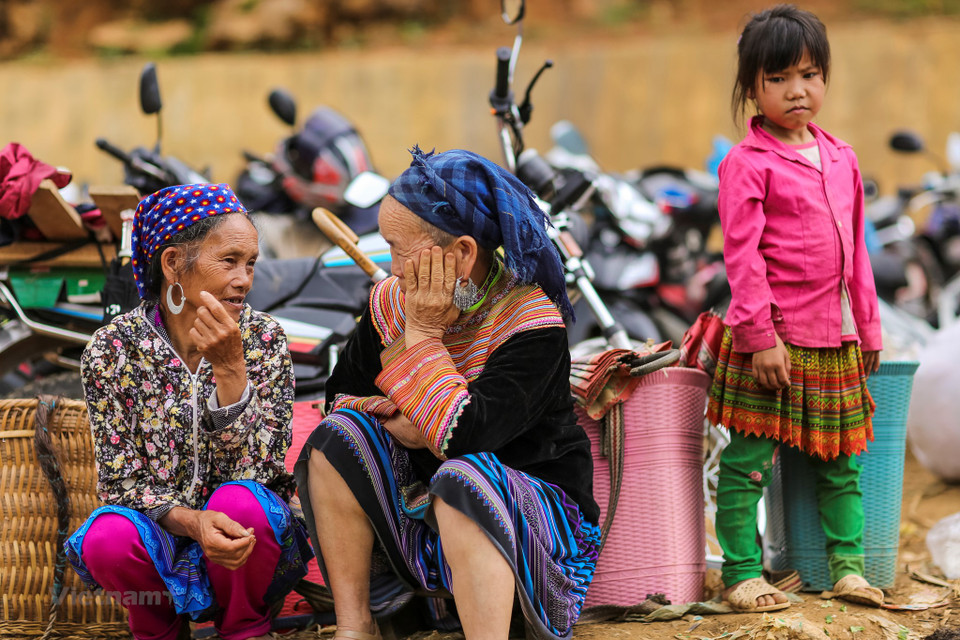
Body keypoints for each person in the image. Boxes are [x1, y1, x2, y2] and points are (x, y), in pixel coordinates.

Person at [294, 147, 601, 640]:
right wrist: (402, 422)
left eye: (398, 248)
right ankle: (356, 626)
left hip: (535, 523)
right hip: (428, 506)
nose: (391, 268)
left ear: (461, 252)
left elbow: (465, 437)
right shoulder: (390, 303)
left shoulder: (531, 324)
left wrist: (421, 335)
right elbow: (341, 396)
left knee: (464, 475)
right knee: (337, 437)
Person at [65, 183, 312, 640]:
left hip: (244, 546)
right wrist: (192, 522)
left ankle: (245, 627)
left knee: (241, 504)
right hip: (162, 533)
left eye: (251, 263)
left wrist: (232, 370)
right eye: (230, 260)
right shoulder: (112, 349)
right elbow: (122, 485)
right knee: (108, 538)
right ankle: (159, 631)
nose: (245, 279)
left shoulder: (264, 340)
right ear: (174, 263)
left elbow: (259, 474)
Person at [707, 5, 885, 613]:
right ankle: (741, 573)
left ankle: (849, 570)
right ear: (752, 87)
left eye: (809, 74)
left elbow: (857, 249)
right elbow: (743, 259)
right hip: (774, 341)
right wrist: (758, 337)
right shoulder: (746, 163)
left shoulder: (843, 157)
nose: (797, 90)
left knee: (840, 463)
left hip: (834, 339)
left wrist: (868, 326)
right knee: (749, 462)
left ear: (825, 77)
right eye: (778, 78)